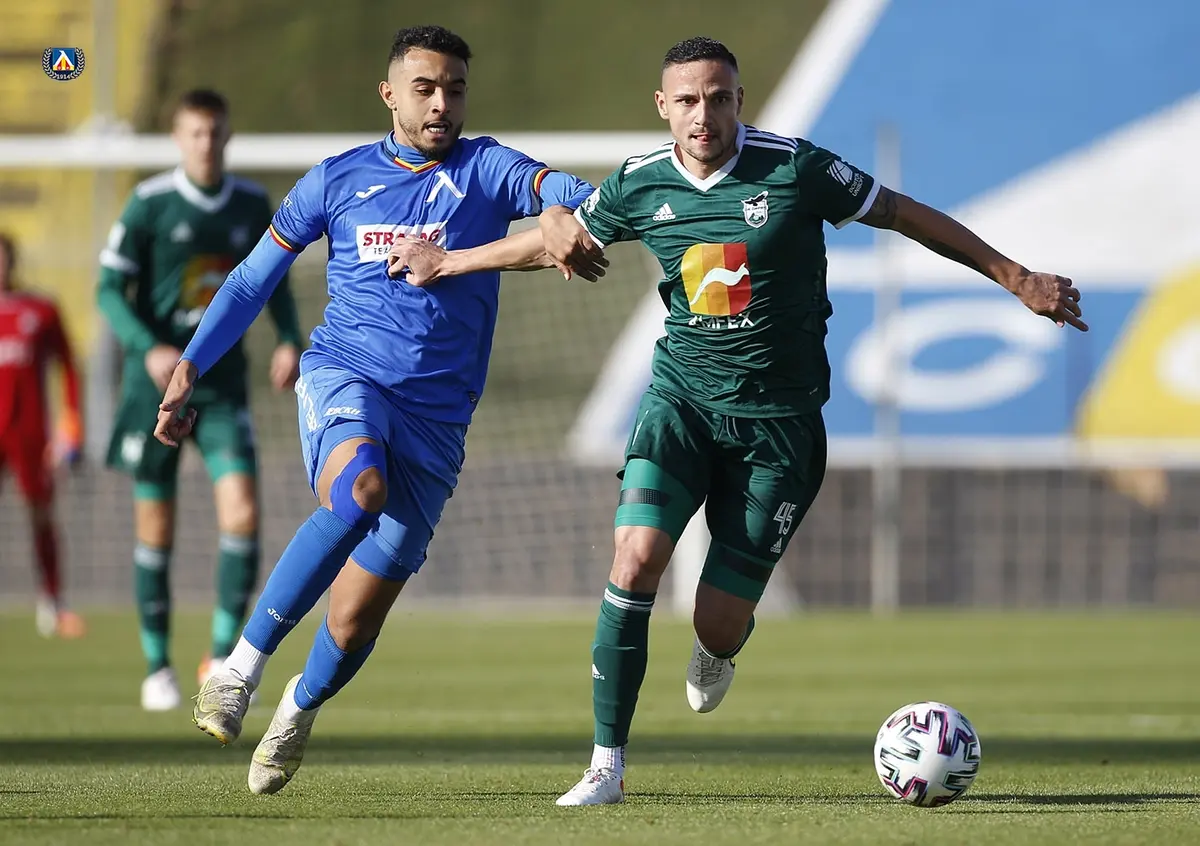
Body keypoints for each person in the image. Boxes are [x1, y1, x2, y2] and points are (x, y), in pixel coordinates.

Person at [389, 36, 1088, 806]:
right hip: (680, 406)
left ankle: (719, 648)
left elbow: (903, 214)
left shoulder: (795, 169)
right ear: (663, 107)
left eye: (718, 99)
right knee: (634, 559)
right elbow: (554, 241)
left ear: (739, 102)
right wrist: (447, 261)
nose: (704, 115)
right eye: (688, 101)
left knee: (717, 622)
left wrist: (1015, 276)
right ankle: (604, 766)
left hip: (778, 429)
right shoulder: (638, 184)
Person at [155, 25, 604, 795]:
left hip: (439, 419)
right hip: (348, 376)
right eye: (425, 89)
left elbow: (563, 189)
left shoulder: (485, 167)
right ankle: (238, 669)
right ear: (389, 94)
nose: (441, 104)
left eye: (454, 89)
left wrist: (564, 209)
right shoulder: (334, 180)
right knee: (360, 488)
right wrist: (191, 365)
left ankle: (297, 709)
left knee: (355, 618)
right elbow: (251, 281)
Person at [96, 89, 304, 712]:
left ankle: (219, 658)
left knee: (242, 513)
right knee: (156, 527)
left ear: (228, 136)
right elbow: (107, 288)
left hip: (220, 387)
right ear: (177, 139)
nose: (206, 144)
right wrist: (147, 348)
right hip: (155, 391)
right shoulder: (150, 203)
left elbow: (273, 280)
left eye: (215, 133)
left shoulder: (250, 204)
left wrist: (289, 337)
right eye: (195, 133)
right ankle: (156, 665)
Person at [0, 232, 86, 639]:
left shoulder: (39, 309)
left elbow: (68, 366)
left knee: (40, 515)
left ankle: (52, 603)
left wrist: (71, 423)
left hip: (28, 432)